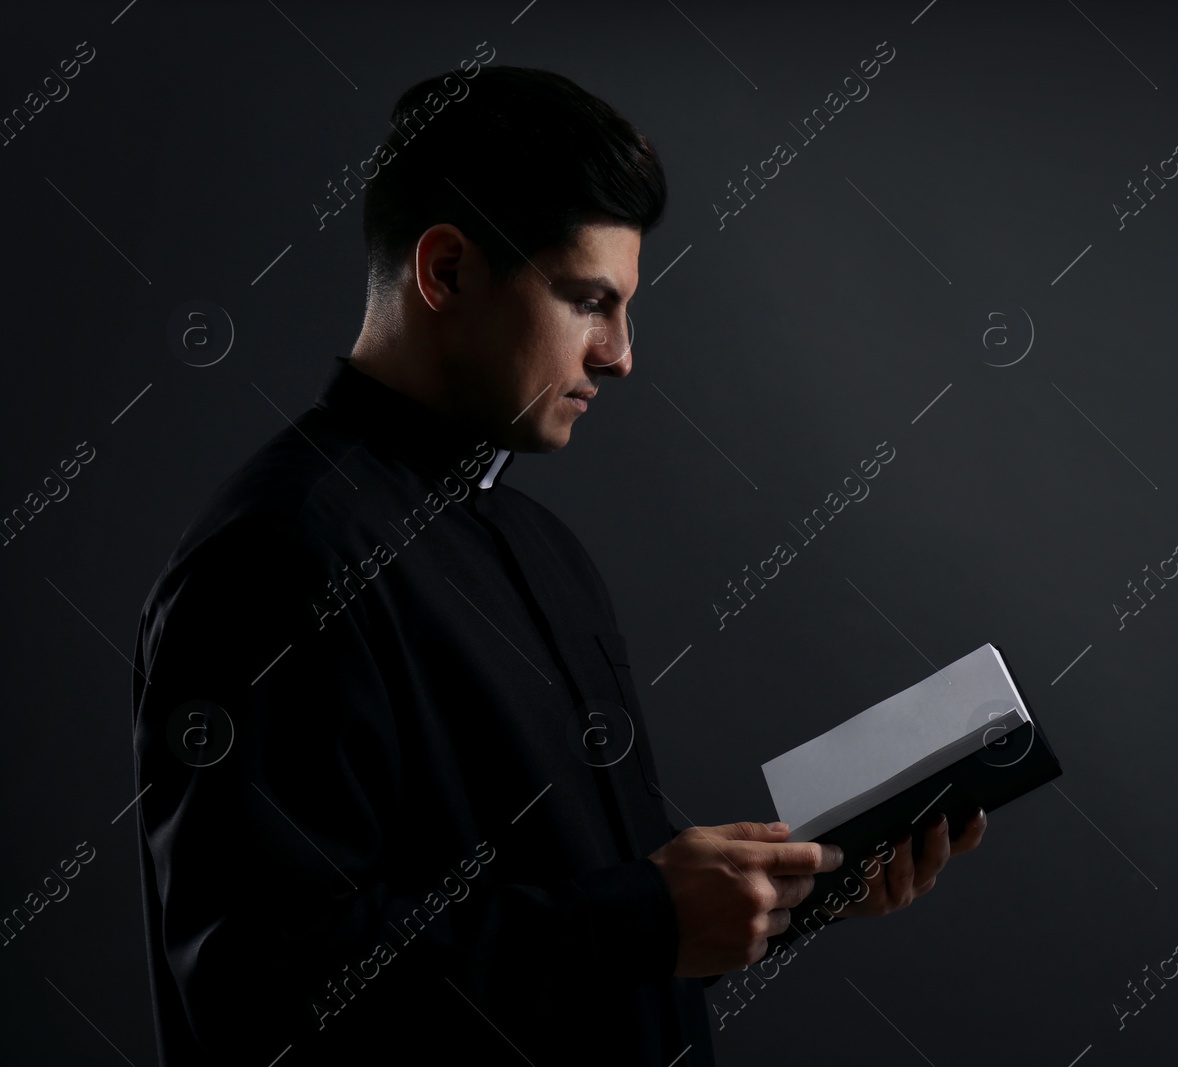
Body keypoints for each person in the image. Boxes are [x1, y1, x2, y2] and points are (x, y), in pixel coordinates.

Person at [131, 65, 984, 1066]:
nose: (619, 353)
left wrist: (780, 892)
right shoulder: (278, 556)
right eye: (589, 301)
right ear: (445, 271)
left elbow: (577, 910)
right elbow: (259, 989)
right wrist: (643, 918)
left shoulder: (541, 548)